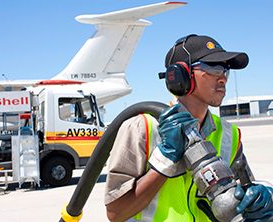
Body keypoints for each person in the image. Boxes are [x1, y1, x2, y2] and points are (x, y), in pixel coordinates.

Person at [104, 34, 273, 222]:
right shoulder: (142, 127)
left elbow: (245, 188)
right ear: (180, 75)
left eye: (225, 70)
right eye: (214, 68)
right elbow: (115, 213)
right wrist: (165, 159)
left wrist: (261, 198)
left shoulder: (229, 135)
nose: (223, 78)